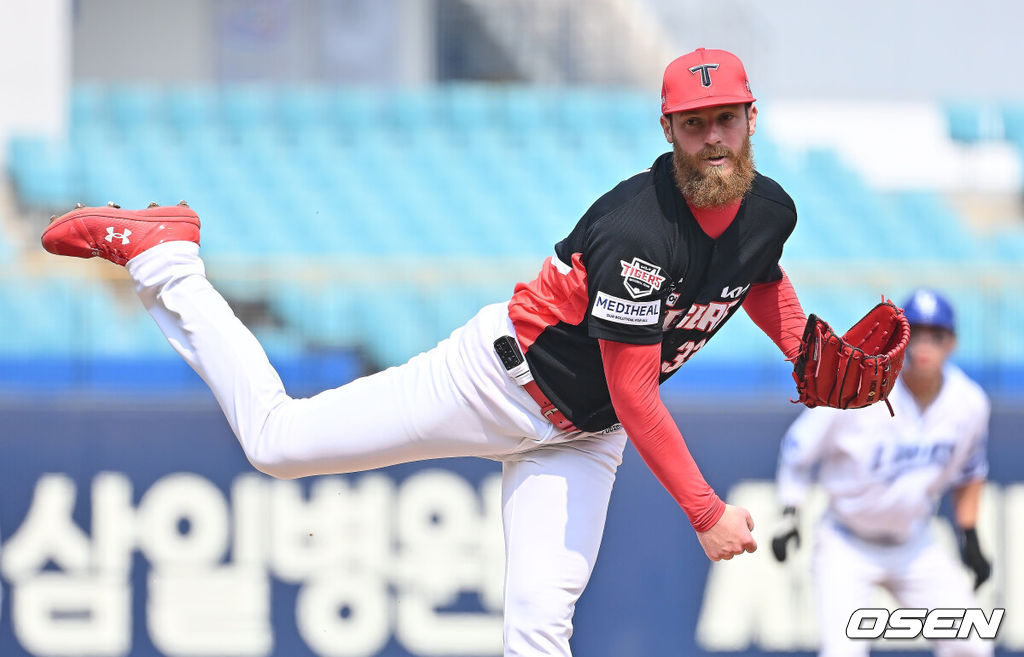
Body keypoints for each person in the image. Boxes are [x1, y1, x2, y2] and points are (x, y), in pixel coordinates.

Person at [43, 48, 814, 656]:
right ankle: (167, 261)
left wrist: (812, 353)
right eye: (693, 123)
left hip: (582, 438)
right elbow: (638, 389)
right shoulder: (637, 231)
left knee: (540, 629)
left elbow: (754, 279)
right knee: (276, 442)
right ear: (667, 132)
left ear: (752, 116)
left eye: (724, 118)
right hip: (494, 382)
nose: (712, 138)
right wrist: (705, 510)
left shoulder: (769, 209)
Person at [771, 289, 993, 657]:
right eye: (916, 333)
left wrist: (970, 536)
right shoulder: (858, 390)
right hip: (846, 543)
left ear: (951, 342)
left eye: (935, 335)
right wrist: (789, 513)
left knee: (970, 646)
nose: (924, 344)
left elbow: (971, 471)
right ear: (900, 341)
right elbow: (798, 450)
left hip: (915, 544)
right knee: (841, 653)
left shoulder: (969, 403)